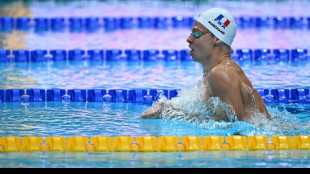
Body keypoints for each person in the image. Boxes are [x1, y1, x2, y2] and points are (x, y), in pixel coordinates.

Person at [141, 8, 271, 122]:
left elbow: (234, 127)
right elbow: (217, 116)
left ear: (217, 38)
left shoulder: (220, 74)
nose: (189, 38)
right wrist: (169, 107)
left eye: (196, 33)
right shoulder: (215, 73)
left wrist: (170, 114)